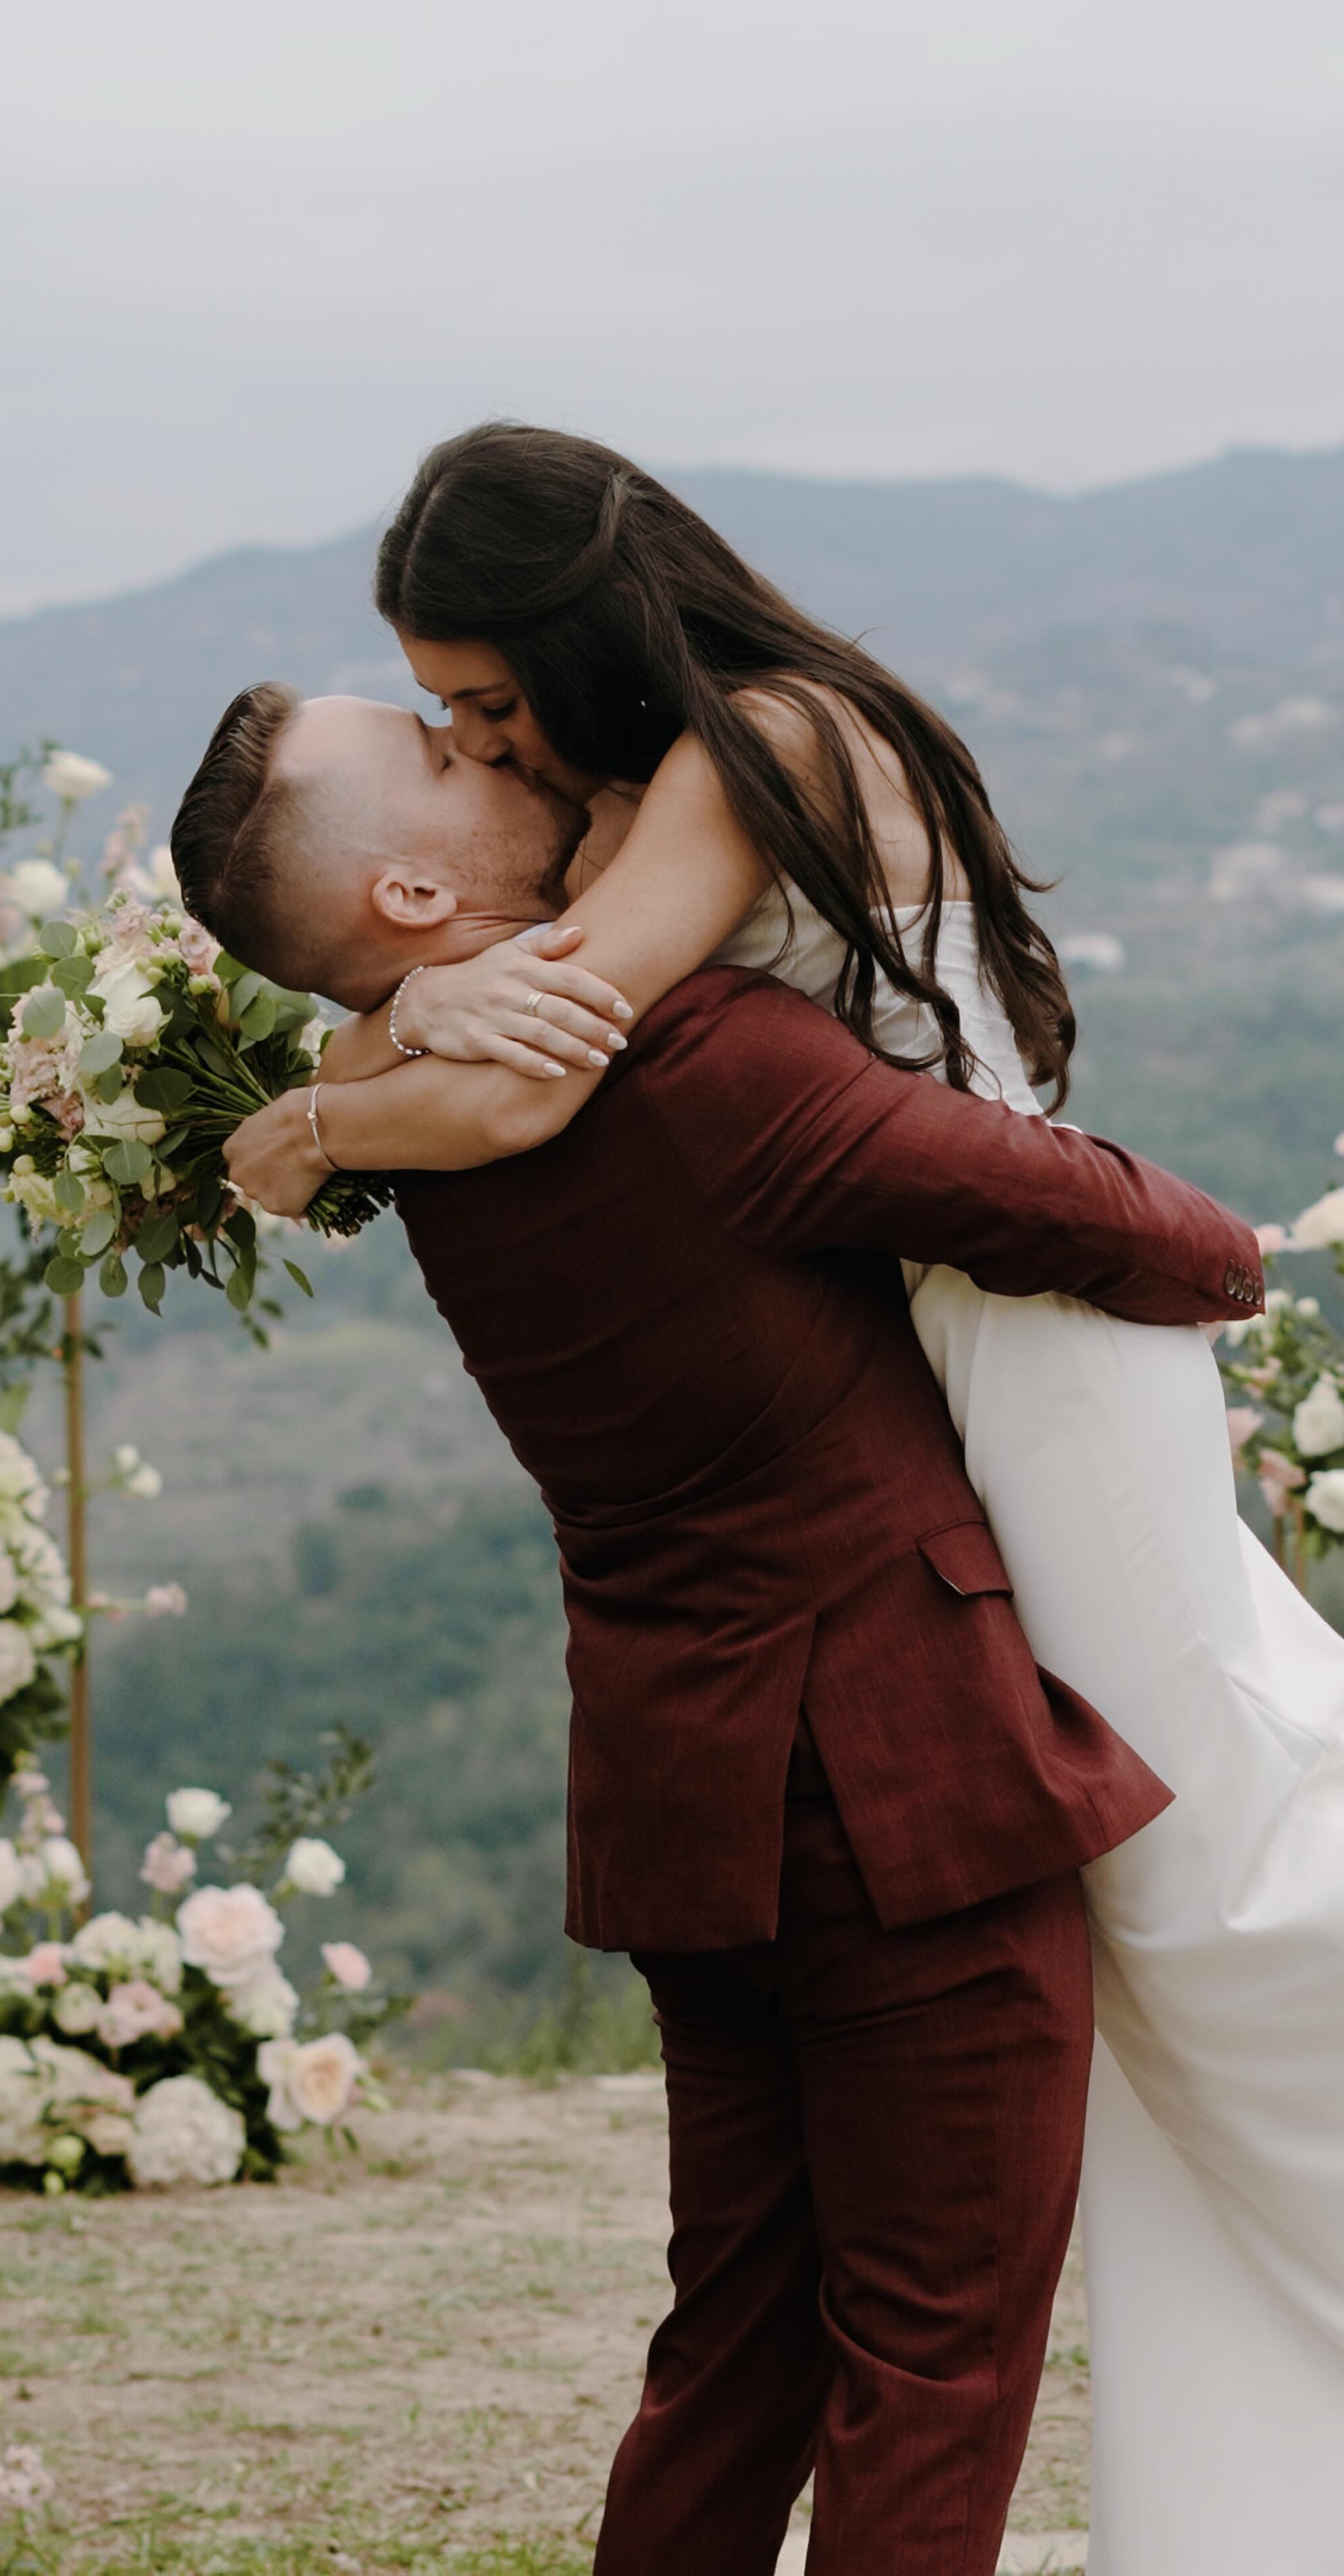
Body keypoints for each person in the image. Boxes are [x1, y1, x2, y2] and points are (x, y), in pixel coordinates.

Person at [196, 425, 1344, 2574]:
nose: (487, 746)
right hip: (904, 1790)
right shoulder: (701, 1061)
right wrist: (1231, 1257)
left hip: (680, 1802)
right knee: (934, 2360)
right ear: (416, 900)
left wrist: (336, 1086)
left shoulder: (451, 1150)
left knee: (730, 2348)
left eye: (478, 705)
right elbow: (1112, 1223)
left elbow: (478, 1047)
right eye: (445, 748)